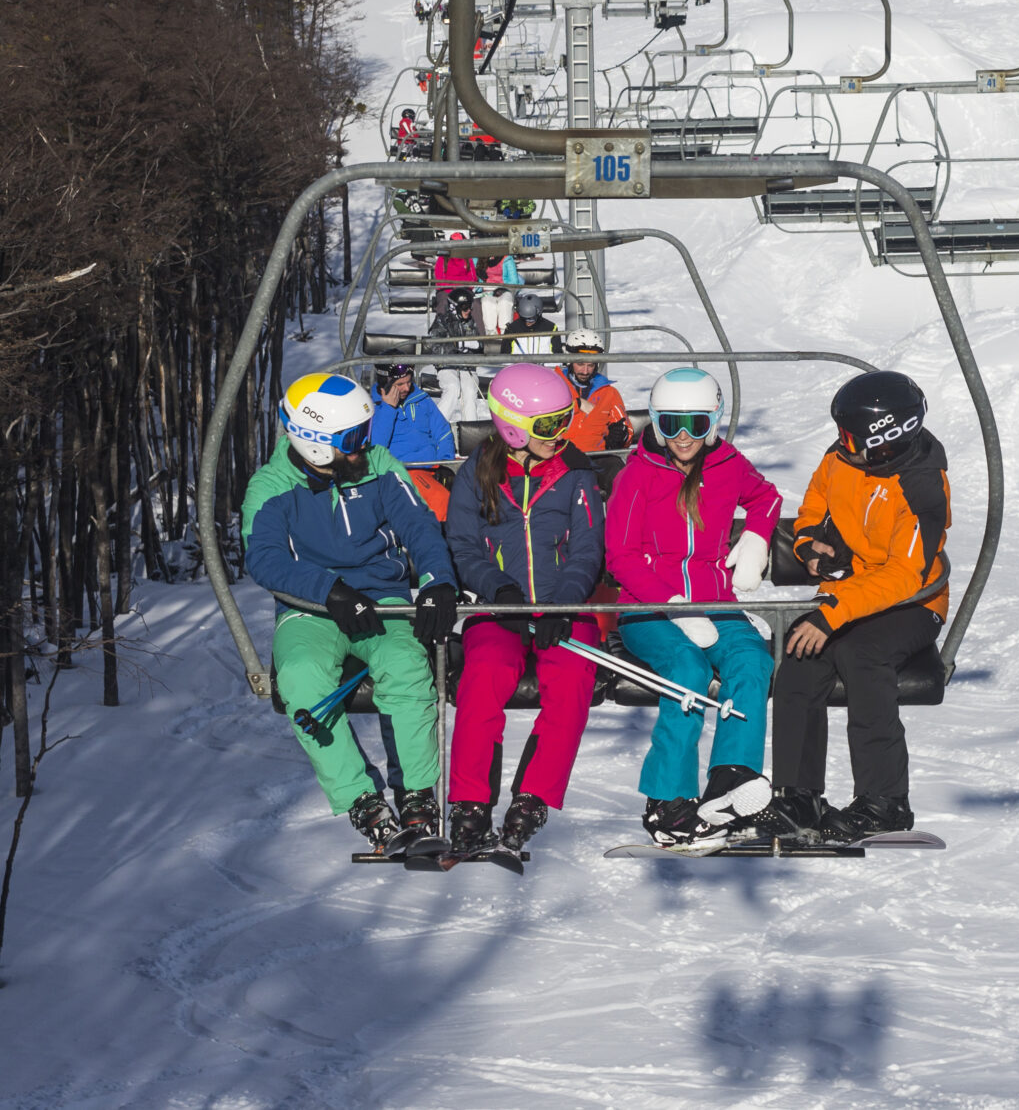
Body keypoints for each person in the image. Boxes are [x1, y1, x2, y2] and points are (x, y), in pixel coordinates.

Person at [243, 373, 460, 856]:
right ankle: (362, 801)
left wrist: (436, 581)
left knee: (406, 668)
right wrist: (330, 591)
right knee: (300, 679)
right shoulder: (273, 487)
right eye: (353, 440)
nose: (365, 446)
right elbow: (265, 558)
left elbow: (419, 525)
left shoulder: (379, 467)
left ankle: (418, 796)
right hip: (311, 610)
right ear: (318, 445)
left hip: (382, 602)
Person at [739, 371, 948, 845]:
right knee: (799, 656)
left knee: (862, 655)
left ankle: (884, 802)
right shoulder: (842, 458)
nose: (840, 442)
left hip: (912, 603)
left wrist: (831, 612)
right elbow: (815, 502)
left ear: (885, 439)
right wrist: (812, 541)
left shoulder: (921, 488)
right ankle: (798, 796)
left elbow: (903, 574)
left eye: (851, 435)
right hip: (850, 592)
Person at [606, 369, 782, 845]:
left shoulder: (728, 464)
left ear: (714, 423)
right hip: (648, 608)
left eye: (697, 424)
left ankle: (730, 778)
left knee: (751, 658)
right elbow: (619, 556)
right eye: (672, 424)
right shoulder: (636, 476)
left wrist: (755, 540)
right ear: (658, 424)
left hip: (715, 599)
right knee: (685, 668)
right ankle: (668, 800)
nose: (684, 437)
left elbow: (766, 498)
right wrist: (673, 606)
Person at [440, 364, 606, 860]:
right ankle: (470, 804)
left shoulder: (576, 471)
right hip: (499, 609)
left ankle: (532, 799)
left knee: (574, 678)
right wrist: (498, 589)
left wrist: (565, 601)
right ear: (514, 426)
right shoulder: (477, 473)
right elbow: (463, 546)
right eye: (550, 426)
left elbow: (587, 547)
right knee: (483, 675)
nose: (562, 436)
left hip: (561, 607)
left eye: (564, 422)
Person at [371, 364, 459, 514]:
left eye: (409, 382)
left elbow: (442, 431)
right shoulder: (375, 409)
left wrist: (445, 462)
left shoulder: (421, 400)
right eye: (400, 384)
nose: (406, 388)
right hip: (404, 470)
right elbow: (376, 447)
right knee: (442, 501)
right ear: (385, 384)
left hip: (434, 465)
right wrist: (388, 409)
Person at [560, 330, 631, 454]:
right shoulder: (555, 384)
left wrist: (619, 436)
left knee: (615, 467)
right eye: (580, 364)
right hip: (560, 454)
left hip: (597, 455)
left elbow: (626, 428)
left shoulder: (608, 392)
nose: (585, 371)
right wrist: (577, 404)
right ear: (569, 360)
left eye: (591, 365)